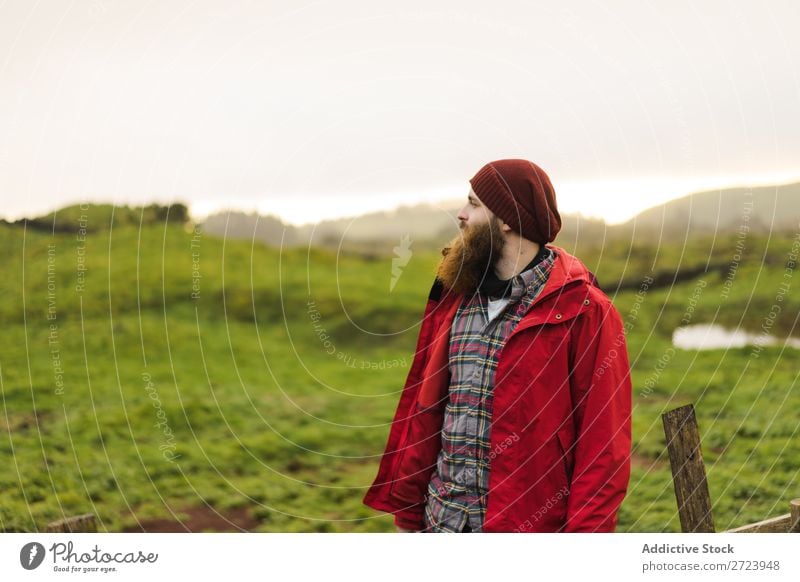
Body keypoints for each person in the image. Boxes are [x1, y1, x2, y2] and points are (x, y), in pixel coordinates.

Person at [362, 159, 632, 533]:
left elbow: (604, 449)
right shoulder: (454, 298)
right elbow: (426, 413)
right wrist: (409, 513)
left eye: (473, 204)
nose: (461, 214)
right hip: (441, 522)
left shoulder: (584, 311)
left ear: (506, 218)